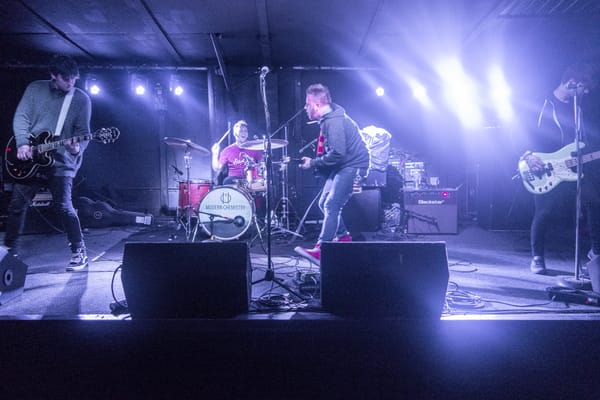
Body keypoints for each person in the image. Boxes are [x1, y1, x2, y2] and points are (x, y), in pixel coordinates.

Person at [4, 54, 92, 271]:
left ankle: (79, 251)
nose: (70, 83)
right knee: (16, 205)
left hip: (62, 162)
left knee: (64, 207)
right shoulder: (35, 89)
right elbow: (21, 117)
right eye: (66, 79)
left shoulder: (81, 99)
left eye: (74, 78)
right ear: (54, 75)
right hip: (32, 157)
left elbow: (83, 133)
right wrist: (23, 143)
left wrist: (76, 147)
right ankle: (8, 253)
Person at [521, 63, 600, 274]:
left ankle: (596, 252)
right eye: (585, 86)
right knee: (544, 211)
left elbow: (582, 141)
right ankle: (537, 256)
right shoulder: (543, 104)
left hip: (572, 167)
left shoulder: (578, 109)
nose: (588, 91)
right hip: (543, 166)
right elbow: (520, 131)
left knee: (594, 202)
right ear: (572, 83)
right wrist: (528, 155)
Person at [294, 83, 370, 266]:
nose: (305, 108)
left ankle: (322, 248)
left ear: (316, 105)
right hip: (344, 165)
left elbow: (337, 153)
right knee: (324, 203)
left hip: (353, 165)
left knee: (332, 204)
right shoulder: (330, 118)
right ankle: (343, 238)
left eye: (307, 104)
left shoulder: (333, 122)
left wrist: (312, 162)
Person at [211, 120, 264, 187]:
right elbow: (217, 168)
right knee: (227, 181)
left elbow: (262, 163)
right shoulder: (227, 150)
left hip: (250, 179)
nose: (244, 133)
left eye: (245, 131)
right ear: (235, 133)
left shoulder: (254, 148)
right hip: (234, 180)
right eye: (241, 131)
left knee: (261, 183)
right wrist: (215, 155)